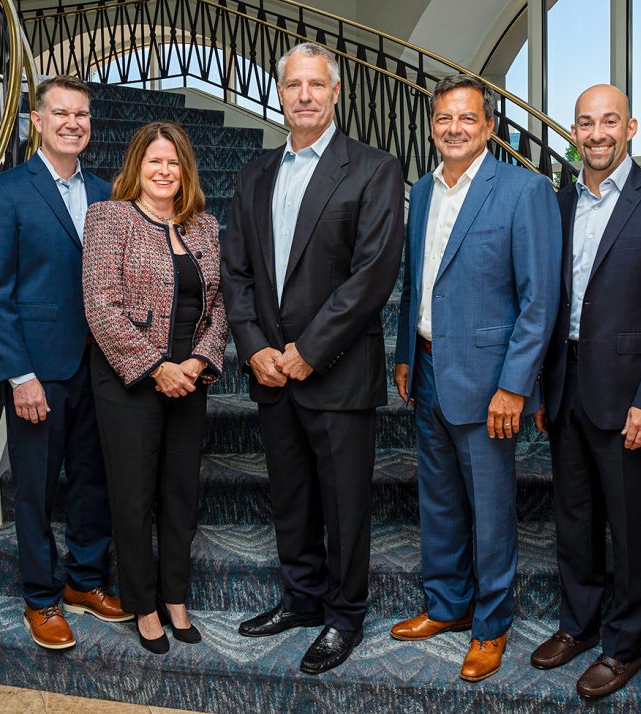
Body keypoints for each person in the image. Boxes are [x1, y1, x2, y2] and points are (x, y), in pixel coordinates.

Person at [220, 41, 404, 674]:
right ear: (280, 93)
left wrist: (307, 351)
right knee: (290, 497)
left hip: (338, 370)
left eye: (315, 85)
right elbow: (235, 273)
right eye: (293, 84)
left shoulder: (374, 168)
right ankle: (300, 598)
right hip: (270, 371)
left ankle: (344, 616)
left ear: (335, 93)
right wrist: (256, 350)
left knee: (345, 503)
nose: (303, 94)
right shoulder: (253, 174)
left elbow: (372, 275)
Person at [530, 84, 641, 698]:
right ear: (573, 132)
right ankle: (578, 625)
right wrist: (541, 387)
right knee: (575, 518)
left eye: (609, 121)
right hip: (567, 383)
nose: (597, 133)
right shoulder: (558, 202)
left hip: (631, 394)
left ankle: (623, 645)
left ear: (631, 128)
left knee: (631, 528)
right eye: (585, 123)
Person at [389, 73, 561, 682]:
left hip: (491, 382)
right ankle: (447, 606)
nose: (454, 129)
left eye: (467, 118)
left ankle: (491, 625)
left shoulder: (523, 190)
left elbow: (539, 301)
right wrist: (408, 350)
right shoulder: (422, 192)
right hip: (430, 366)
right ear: (432, 127)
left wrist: (514, 386)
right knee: (437, 501)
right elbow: (418, 281)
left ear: (488, 127)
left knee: (490, 511)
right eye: (443, 119)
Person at [0, 75, 129, 650]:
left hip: (103, 368)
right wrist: (20, 375)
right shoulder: (6, 192)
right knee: (38, 489)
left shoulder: (108, 194)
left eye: (82, 114)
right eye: (60, 113)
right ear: (36, 122)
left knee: (95, 481)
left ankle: (85, 582)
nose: (73, 123)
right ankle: (41, 597)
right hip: (39, 372)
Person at [82, 121, 227, 654]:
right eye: (154, 162)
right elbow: (100, 304)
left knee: (180, 495)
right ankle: (143, 605)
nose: (164, 171)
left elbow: (219, 307)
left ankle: (176, 599)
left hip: (191, 380)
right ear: (136, 168)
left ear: (185, 171)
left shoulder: (204, 226)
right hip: (129, 382)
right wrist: (155, 366)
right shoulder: (109, 218)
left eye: (173, 163)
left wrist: (197, 362)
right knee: (134, 497)